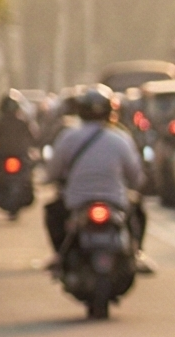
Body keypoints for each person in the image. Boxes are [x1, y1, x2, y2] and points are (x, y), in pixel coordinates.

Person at [44, 87, 147, 268]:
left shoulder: (68, 137)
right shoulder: (121, 139)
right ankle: (137, 254)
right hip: (115, 201)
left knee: (52, 211)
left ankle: (59, 256)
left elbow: (52, 171)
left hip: (76, 201)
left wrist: (51, 179)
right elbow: (136, 176)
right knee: (138, 211)